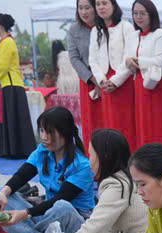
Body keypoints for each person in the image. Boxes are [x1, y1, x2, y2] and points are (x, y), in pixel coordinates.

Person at [57, 128, 147, 233]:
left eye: (91, 155)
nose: (89, 160)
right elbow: (111, 228)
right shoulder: (127, 177)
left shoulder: (116, 184)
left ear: (104, 157)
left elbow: (96, 225)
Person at [0, 107, 93, 233]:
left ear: (65, 133)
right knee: (0, 191)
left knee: (62, 206)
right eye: (42, 130)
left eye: (50, 132)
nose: (44, 137)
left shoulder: (82, 165)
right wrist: (4, 193)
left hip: (72, 220)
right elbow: (21, 176)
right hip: (46, 214)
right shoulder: (42, 151)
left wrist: (24, 214)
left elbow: (60, 198)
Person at [0, 12, 37, 158]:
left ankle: (17, 149)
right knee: (10, 117)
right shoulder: (3, 42)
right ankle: (13, 149)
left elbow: (4, 66)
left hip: (12, 84)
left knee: (13, 117)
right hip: (7, 84)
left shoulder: (7, 42)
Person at [123, 0, 162, 148]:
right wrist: (129, 61)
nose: (138, 17)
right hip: (138, 84)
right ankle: (144, 163)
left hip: (156, 85)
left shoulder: (161, 34)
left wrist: (136, 60)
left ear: (151, 14)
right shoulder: (133, 36)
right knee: (142, 126)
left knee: (157, 125)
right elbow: (127, 59)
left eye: (142, 13)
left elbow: (161, 61)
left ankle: (161, 162)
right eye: (135, 13)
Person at [90, 0, 137, 150]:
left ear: (114, 5)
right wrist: (101, 80)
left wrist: (116, 81)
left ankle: (129, 161)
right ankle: (113, 162)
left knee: (126, 123)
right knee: (110, 124)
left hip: (124, 82)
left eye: (105, 3)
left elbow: (130, 56)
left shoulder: (126, 27)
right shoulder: (95, 30)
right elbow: (92, 58)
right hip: (105, 82)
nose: (101, 7)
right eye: (98, 4)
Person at [66, 0, 101, 140]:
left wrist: (102, 80)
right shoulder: (74, 30)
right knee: (92, 121)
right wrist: (94, 79)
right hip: (88, 81)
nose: (84, 12)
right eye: (80, 8)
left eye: (87, 8)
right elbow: (74, 58)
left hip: (108, 80)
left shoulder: (104, 26)